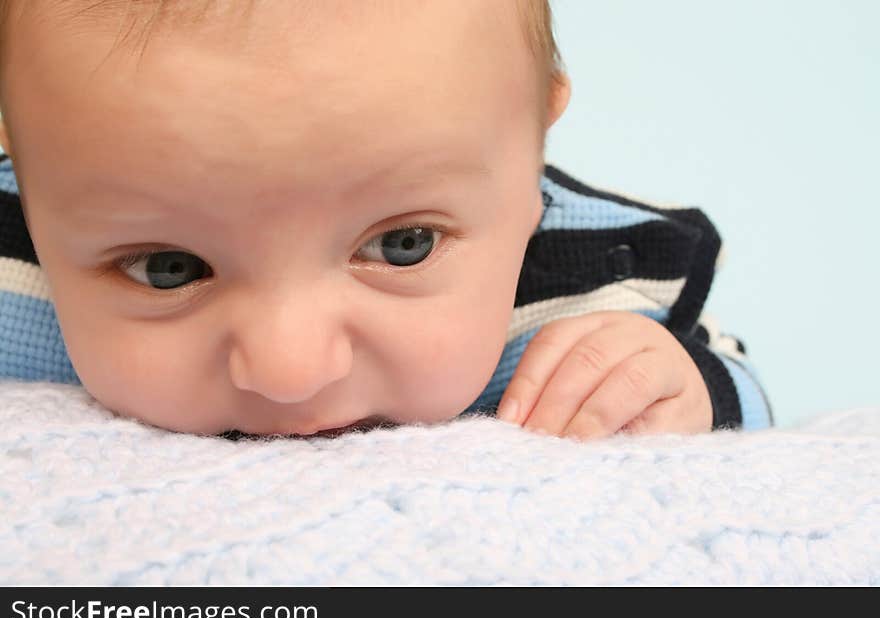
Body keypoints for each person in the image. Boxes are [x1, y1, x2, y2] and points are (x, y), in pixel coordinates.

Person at [0, 0, 772, 439]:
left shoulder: (593, 279)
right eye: (168, 267)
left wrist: (685, 386)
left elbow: (740, 385)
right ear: (30, 178)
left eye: (404, 246)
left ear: (532, 149)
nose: (289, 369)